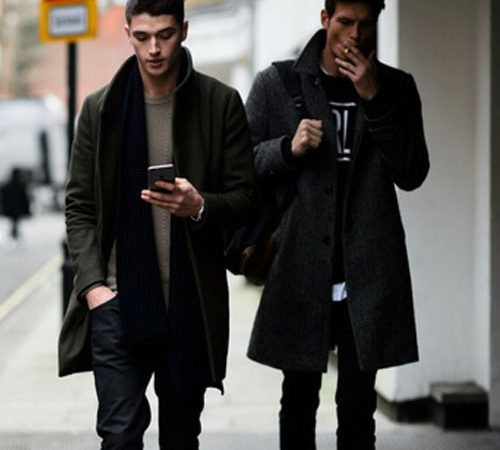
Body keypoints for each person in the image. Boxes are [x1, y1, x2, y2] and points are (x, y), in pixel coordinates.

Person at [58, 0, 256, 448]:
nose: (154, 49)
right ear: (128, 32)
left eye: (164, 35)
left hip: (187, 305)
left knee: (181, 438)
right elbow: (80, 205)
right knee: (119, 437)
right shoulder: (100, 109)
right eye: (143, 36)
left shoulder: (219, 103)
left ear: (183, 30)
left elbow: (247, 199)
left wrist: (199, 206)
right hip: (116, 303)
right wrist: (94, 289)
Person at [245, 1, 429, 449]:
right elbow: (239, 165)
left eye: (366, 24)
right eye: (345, 22)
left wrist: (375, 100)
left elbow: (412, 172)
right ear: (325, 19)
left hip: (368, 270)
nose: (355, 35)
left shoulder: (397, 88)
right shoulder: (278, 83)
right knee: (298, 400)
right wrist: (287, 148)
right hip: (300, 264)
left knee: (357, 406)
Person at [0, 167, 31, 242]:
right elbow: (24, 199)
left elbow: (3, 198)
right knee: (15, 221)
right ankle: (14, 233)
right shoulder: (21, 186)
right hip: (17, 208)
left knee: (14, 221)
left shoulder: (6, 185)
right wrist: (27, 210)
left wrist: (3, 208)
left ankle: (14, 232)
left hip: (9, 208)